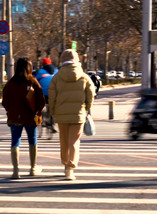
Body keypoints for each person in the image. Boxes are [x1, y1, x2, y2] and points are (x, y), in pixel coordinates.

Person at [48, 49, 95, 180]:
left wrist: (53, 111)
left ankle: (65, 164)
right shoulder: (84, 76)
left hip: (61, 114)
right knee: (74, 142)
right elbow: (90, 95)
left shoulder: (56, 77)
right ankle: (71, 168)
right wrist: (86, 108)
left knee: (63, 141)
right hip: (78, 114)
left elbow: (52, 96)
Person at [2, 57, 46, 179]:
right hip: (30, 117)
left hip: (15, 117)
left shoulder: (11, 83)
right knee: (32, 141)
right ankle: (33, 168)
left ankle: (16, 171)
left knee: (15, 142)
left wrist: (10, 110)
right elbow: (41, 100)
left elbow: (5, 102)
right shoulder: (33, 81)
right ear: (29, 68)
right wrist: (38, 112)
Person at [34, 58, 58, 133]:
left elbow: (34, 80)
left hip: (41, 93)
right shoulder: (56, 71)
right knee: (52, 107)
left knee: (39, 105)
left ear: (42, 64)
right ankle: (52, 124)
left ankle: (39, 118)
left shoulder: (39, 71)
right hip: (53, 92)